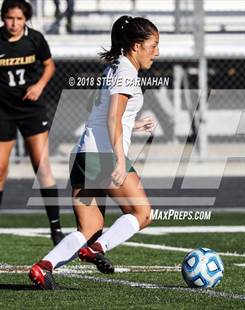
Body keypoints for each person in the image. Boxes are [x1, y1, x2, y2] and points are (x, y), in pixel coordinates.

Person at [28, 15, 159, 290]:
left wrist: (133, 125)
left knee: (88, 229)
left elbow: (105, 117)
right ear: (136, 46)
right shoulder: (125, 72)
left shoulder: (114, 68)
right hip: (103, 157)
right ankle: (97, 248)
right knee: (143, 213)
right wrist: (120, 161)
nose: (157, 52)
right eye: (153, 45)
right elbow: (112, 119)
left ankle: (43, 267)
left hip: (83, 155)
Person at [0, 0, 64, 246]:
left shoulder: (35, 39)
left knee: (42, 169)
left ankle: (56, 230)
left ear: (26, 20)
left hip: (32, 110)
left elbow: (49, 65)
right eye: (10, 18)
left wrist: (40, 85)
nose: (14, 23)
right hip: (2, 111)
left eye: (19, 19)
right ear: (3, 18)